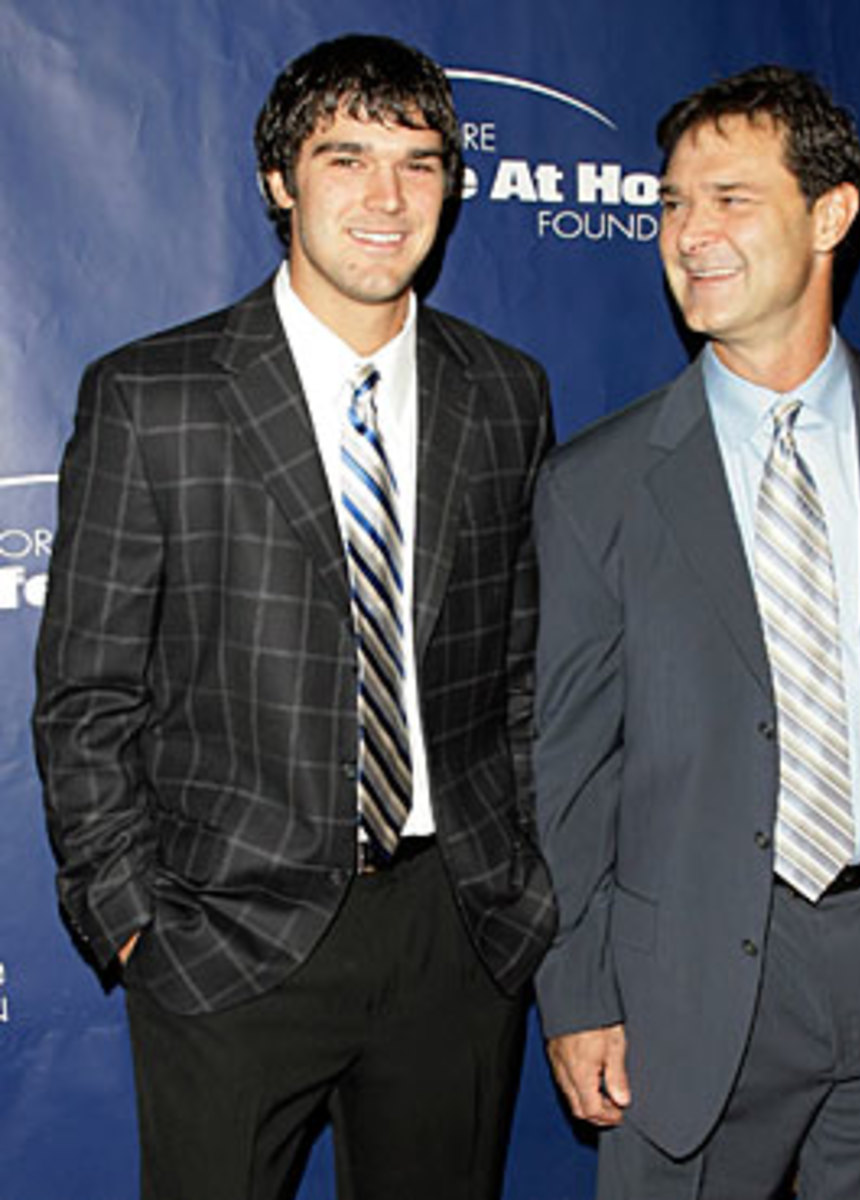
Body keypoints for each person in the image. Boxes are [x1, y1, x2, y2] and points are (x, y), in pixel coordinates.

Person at [34, 32, 556, 1200]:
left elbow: (521, 668)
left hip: (453, 935)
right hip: (223, 938)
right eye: (346, 157)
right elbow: (87, 696)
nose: (386, 196)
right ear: (280, 179)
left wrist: (525, 885)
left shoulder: (506, 391)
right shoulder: (152, 397)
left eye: (418, 163)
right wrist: (132, 926)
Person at [532, 64, 860, 1200]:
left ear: (830, 214)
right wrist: (578, 993)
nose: (688, 233)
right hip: (688, 989)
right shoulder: (596, 483)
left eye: (728, 198)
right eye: (671, 203)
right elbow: (566, 766)